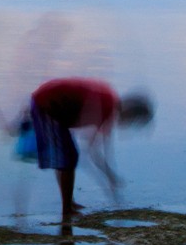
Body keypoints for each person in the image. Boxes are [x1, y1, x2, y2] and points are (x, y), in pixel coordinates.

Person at [24, 77, 153, 224]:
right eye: (132, 121)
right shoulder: (106, 104)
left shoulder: (109, 107)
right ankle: (67, 210)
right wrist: (109, 176)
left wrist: (110, 175)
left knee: (67, 157)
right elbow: (90, 150)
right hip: (47, 105)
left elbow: (101, 151)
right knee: (67, 158)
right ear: (130, 111)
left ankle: (69, 203)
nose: (128, 124)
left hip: (56, 109)